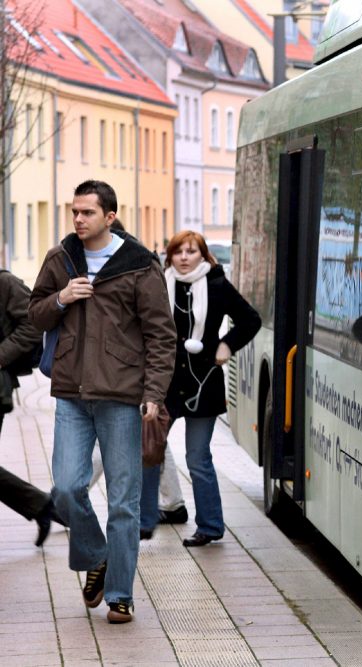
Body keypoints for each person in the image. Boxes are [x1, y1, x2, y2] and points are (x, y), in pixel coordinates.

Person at [29, 180, 176, 624]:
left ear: (110, 217)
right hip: (72, 393)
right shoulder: (61, 259)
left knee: (124, 501)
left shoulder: (139, 266)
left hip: (121, 396)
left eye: (87, 213)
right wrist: (61, 298)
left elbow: (160, 334)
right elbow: (34, 312)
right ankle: (97, 555)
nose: (78, 219)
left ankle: (119, 594)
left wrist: (154, 393)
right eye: (74, 211)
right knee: (67, 488)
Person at [139, 231, 260, 546]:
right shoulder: (158, 284)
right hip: (164, 382)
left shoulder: (217, 284)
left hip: (202, 383)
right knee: (149, 450)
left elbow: (250, 320)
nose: (183, 257)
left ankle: (209, 526)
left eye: (191, 251)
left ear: (202, 255)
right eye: (177, 251)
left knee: (197, 457)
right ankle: (145, 518)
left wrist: (227, 345)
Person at [88, 220, 189, 527]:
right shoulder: (141, 264)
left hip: (135, 374)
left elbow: (155, 330)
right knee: (153, 438)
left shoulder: (136, 267)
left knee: (119, 439)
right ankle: (173, 503)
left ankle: (64, 500)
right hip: (143, 373)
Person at [0, 268, 58, 546]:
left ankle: (41, 505)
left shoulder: (4, 282)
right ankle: (40, 505)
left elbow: (34, 324)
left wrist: (1, 356)